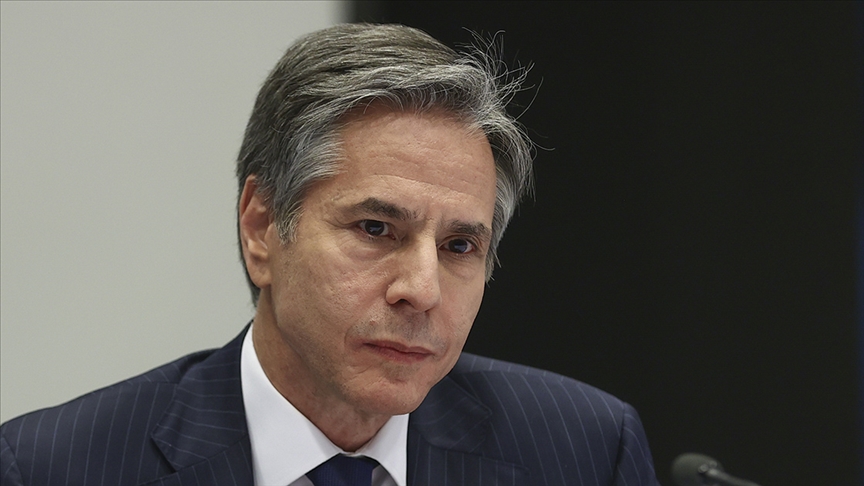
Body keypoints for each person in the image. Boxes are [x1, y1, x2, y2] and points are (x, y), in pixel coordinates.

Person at [0, 23, 659, 486]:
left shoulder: (585, 451)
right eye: (376, 228)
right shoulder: (53, 467)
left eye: (459, 245)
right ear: (261, 227)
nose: (422, 289)